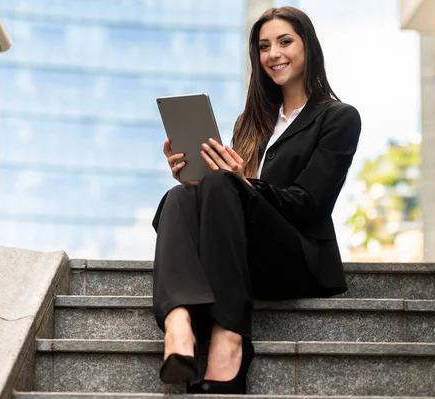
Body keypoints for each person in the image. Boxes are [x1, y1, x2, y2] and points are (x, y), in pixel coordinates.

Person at [151, 6, 362, 395]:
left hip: (298, 258)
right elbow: (227, 205)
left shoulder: (338, 118)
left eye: (285, 42)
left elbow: (309, 203)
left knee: (222, 185)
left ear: (308, 47)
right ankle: (178, 325)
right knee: (181, 196)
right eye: (264, 46)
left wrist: (242, 183)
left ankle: (230, 341)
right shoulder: (250, 123)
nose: (274, 54)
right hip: (239, 259)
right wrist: (194, 174)